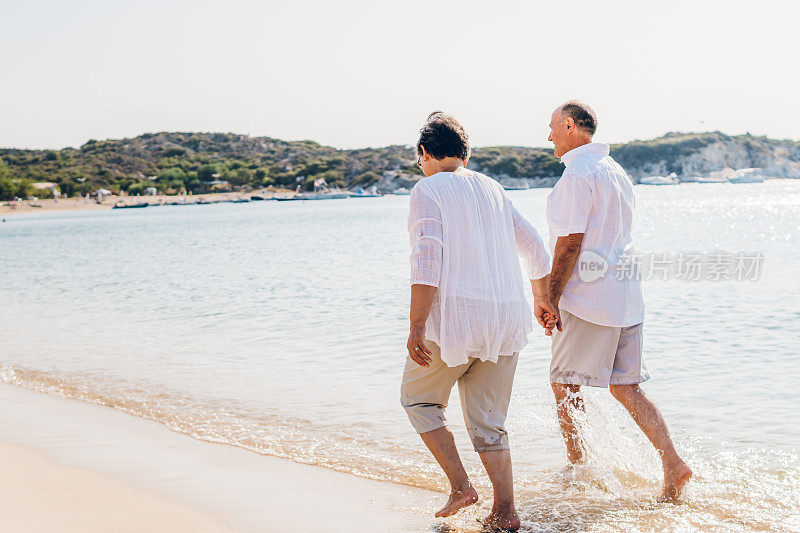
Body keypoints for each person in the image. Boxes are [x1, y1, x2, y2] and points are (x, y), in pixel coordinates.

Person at [400, 111, 555, 530]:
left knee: (419, 402)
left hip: (453, 320)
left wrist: (415, 327)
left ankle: (461, 488)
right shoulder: (493, 188)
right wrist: (542, 300)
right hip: (504, 319)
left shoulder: (427, 190)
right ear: (465, 154)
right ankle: (505, 511)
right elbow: (537, 250)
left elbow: (427, 260)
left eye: (419, 157)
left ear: (425, 152)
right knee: (489, 422)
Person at [542, 100, 693, 500]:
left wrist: (550, 299)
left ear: (570, 125)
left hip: (590, 297)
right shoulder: (615, 170)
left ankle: (578, 471)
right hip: (627, 293)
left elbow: (570, 244)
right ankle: (673, 464)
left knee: (564, 383)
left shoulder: (577, 174)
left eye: (553, 127)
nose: (550, 136)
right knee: (626, 387)